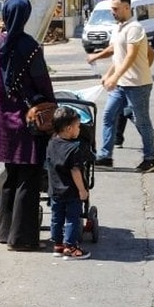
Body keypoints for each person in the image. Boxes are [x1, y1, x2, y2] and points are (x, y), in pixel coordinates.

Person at [0, 0, 54, 251]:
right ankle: (22, 238)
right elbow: (43, 85)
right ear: (25, 17)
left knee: (10, 175)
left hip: (2, 122)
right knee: (29, 177)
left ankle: (4, 231)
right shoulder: (30, 47)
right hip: (28, 122)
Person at [86, 0, 154, 173]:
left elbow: (130, 56)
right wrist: (108, 74)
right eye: (112, 8)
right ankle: (105, 157)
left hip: (138, 85)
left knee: (142, 122)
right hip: (121, 85)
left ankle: (150, 159)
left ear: (127, 8)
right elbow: (117, 55)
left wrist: (116, 76)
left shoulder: (134, 28)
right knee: (108, 116)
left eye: (116, 8)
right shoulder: (119, 27)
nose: (113, 12)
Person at [45, 106, 93, 260]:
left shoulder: (51, 143)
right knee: (72, 218)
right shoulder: (74, 149)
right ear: (68, 129)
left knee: (56, 218)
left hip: (55, 191)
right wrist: (82, 191)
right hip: (71, 192)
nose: (79, 129)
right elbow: (75, 172)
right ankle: (70, 247)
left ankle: (58, 245)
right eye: (78, 126)